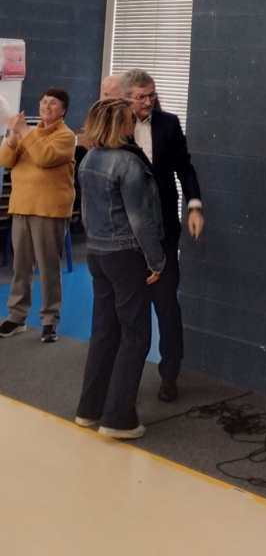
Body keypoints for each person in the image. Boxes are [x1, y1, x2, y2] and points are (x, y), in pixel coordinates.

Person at [75, 97, 165, 440]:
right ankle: (118, 419)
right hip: (126, 256)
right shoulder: (128, 163)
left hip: (97, 254)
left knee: (104, 331)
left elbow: (86, 212)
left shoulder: (89, 159)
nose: (134, 124)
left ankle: (89, 409)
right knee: (136, 334)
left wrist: (95, 246)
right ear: (118, 126)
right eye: (129, 120)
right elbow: (140, 220)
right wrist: (156, 260)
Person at [121, 69, 204, 402]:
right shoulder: (116, 127)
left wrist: (194, 206)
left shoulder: (168, 123)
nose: (148, 102)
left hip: (165, 228)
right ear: (126, 98)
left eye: (151, 95)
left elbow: (185, 168)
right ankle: (121, 373)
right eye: (141, 97)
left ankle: (170, 373)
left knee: (167, 304)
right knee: (127, 307)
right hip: (126, 232)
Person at [0, 87, 75, 344]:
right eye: (43, 102)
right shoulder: (28, 134)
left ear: (63, 110)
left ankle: (50, 320)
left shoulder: (65, 136)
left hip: (50, 209)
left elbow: (44, 157)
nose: (46, 107)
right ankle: (17, 316)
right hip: (22, 207)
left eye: (53, 103)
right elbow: (6, 160)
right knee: (20, 266)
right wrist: (13, 134)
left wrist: (23, 131)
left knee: (48, 267)